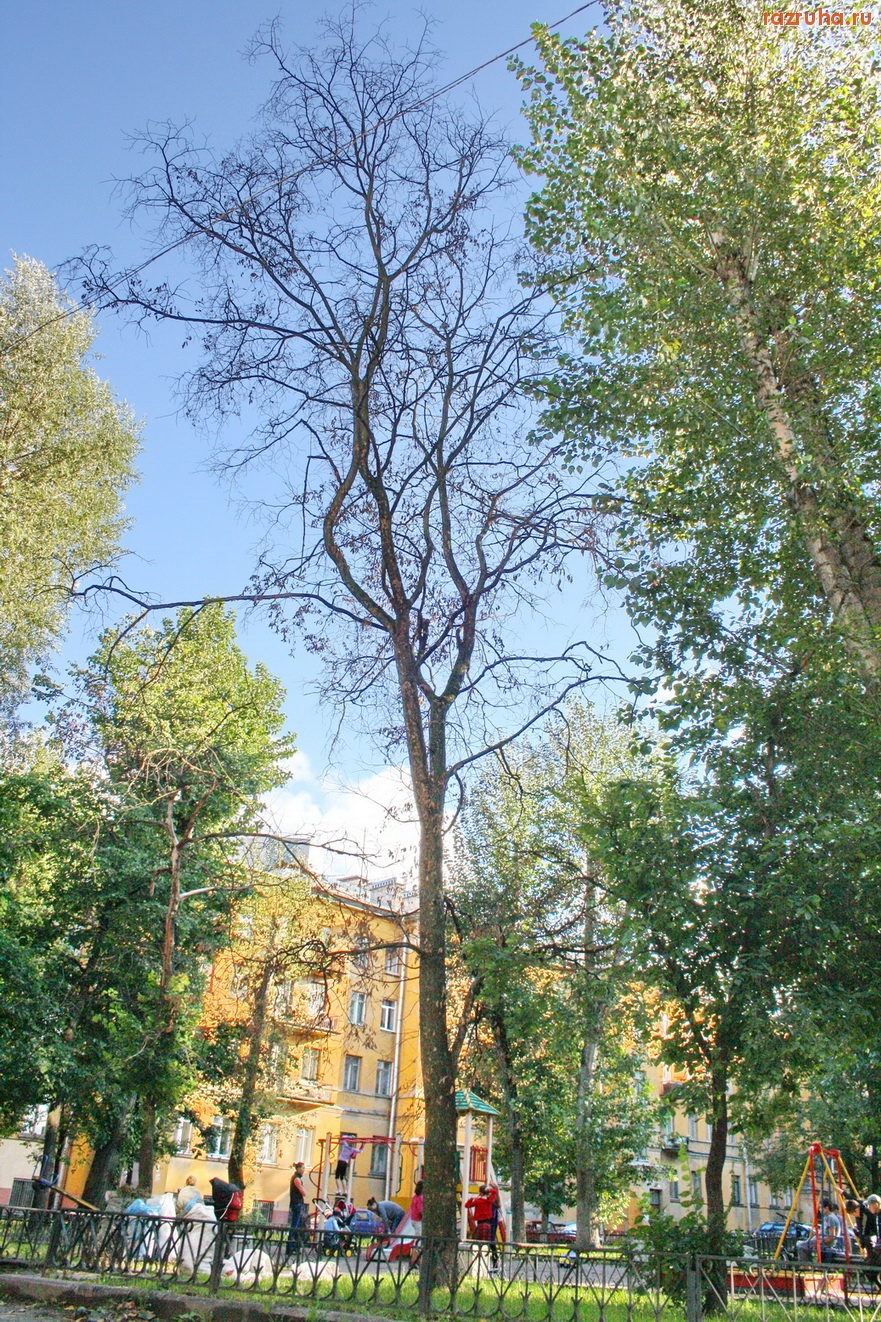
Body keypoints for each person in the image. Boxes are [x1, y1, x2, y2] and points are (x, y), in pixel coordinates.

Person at [286, 1161, 308, 1257]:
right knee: (295, 1226)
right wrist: (303, 1190)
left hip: (297, 1203)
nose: (304, 1170)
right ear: (298, 1169)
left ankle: (294, 1246)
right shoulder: (297, 1179)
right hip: (297, 1203)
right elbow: (303, 1192)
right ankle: (290, 1247)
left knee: (297, 1226)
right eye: (302, 1168)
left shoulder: (296, 1178)